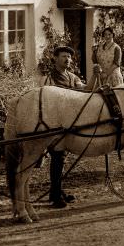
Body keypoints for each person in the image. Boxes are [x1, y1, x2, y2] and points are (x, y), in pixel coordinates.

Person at [42, 45, 85, 208]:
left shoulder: (72, 77)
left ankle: (58, 191)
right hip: (55, 123)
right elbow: (46, 99)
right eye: (63, 56)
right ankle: (55, 195)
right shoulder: (49, 78)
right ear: (55, 58)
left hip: (69, 122)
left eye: (69, 57)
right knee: (57, 157)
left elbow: (84, 90)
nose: (67, 59)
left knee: (61, 158)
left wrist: (96, 77)